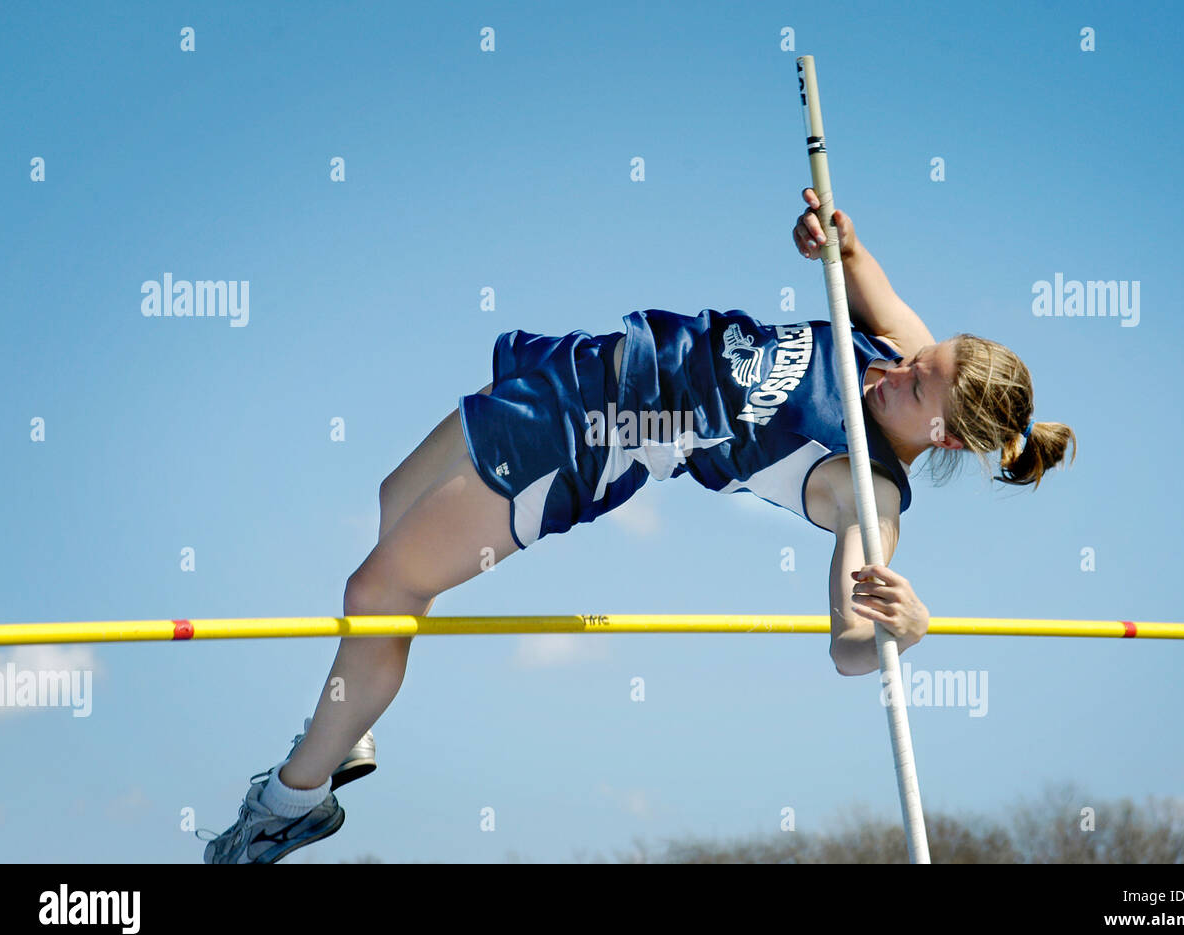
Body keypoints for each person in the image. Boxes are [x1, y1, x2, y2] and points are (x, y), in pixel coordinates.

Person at [201, 187, 1077, 863]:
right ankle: (347, 730)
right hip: (593, 367)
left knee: (378, 591)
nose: (895, 371)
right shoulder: (903, 357)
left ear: (947, 437)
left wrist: (904, 629)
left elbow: (851, 642)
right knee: (394, 501)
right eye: (918, 359)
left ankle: (292, 802)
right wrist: (836, 242)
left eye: (916, 386)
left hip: (595, 438)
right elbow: (865, 274)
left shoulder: (869, 494)